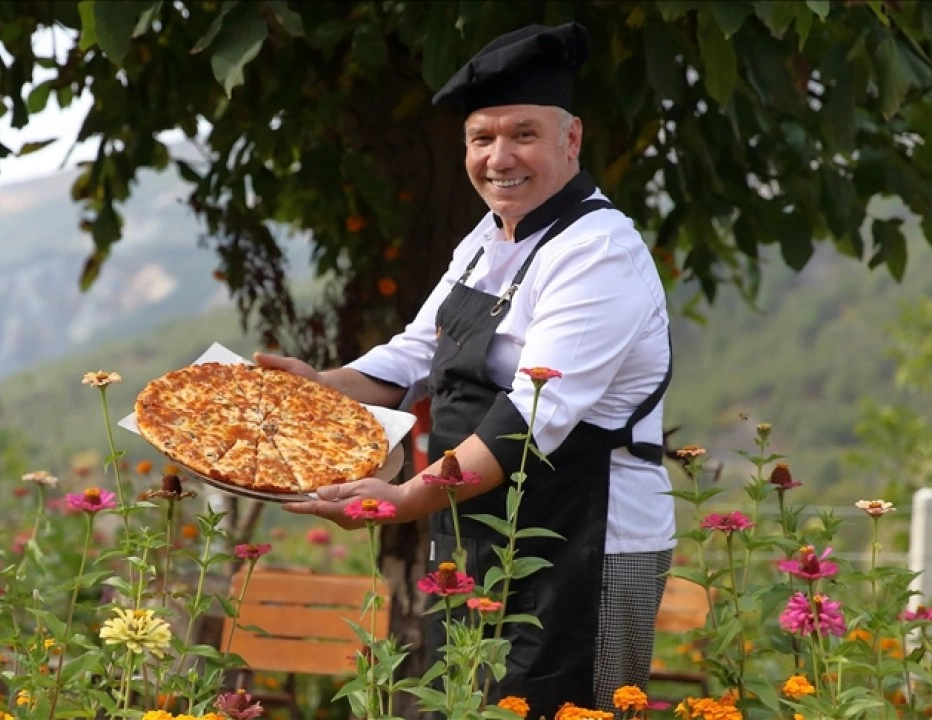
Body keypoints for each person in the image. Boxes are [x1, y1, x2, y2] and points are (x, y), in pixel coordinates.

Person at [255, 22, 675, 716]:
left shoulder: (598, 252)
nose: (499, 158)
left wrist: (405, 500)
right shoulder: (486, 239)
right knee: (462, 703)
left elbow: (528, 422)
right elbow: (416, 353)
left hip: (586, 544)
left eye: (523, 134)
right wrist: (322, 388)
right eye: (482, 139)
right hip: (476, 526)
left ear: (571, 139)